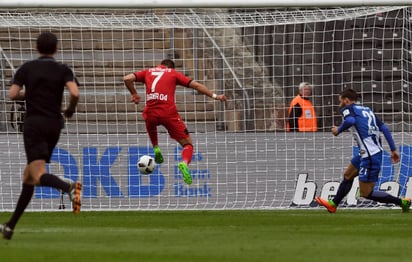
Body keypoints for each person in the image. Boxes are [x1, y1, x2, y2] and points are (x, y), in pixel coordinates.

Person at [0, 32, 82, 240]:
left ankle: (68, 186)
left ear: (37, 48)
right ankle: (10, 226)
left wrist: (31, 93)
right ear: (55, 49)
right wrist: (69, 109)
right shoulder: (63, 69)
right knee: (29, 177)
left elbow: (11, 94)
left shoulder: (27, 68)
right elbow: (74, 92)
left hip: (34, 124)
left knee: (37, 174)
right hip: (54, 124)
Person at [123, 59, 227, 185]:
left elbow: (127, 78)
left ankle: (156, 147)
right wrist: (216, 96)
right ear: (171, 68)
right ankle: (184, 163)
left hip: (150, 113)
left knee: (150, 121)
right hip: (168, 114)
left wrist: (134, 93)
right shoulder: (173, 73)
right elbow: (197, 86)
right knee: (188, 144)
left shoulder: (148, 72)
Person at [315, 88, 410, 213]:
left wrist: (338, 130)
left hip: (370, 155)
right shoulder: (367, 110)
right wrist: (393, 149)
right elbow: (384, 128)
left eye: (340, 102)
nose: (339, 105)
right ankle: (333, 204)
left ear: (347, 100)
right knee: (348, 175)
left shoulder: (348, 109)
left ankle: (402, 202)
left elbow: (350, 120)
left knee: (366, 193)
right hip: (367, 153)